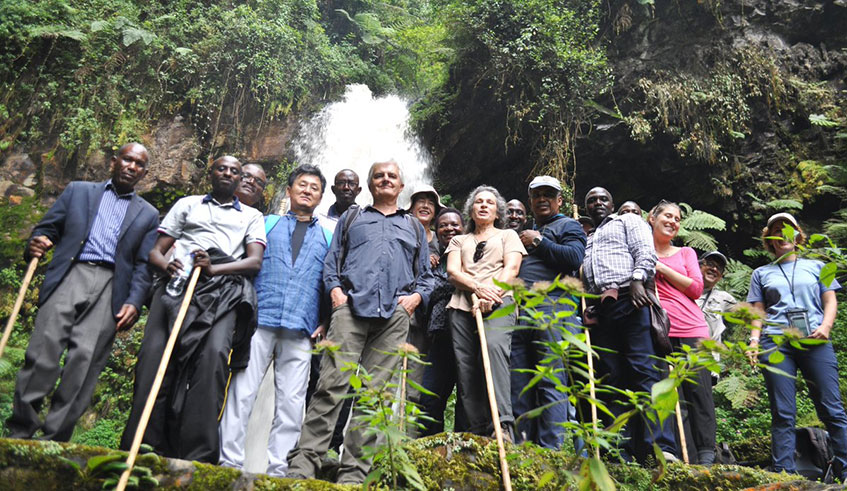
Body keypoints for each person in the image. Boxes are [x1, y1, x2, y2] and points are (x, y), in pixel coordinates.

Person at [286, 160, 433, 484]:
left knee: (374, 395)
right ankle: (304, 464)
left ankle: (353, 474)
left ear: (400, 184)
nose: (385, 179)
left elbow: (426, 276)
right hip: (350, 310)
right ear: (370, 184)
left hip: (393, 317)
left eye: (391, 176)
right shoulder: (353, 217)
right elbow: (331, 263)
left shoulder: (413, 227)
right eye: (378, 175)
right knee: (330, 387)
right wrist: (337, 294)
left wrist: (414, 300)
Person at [6, 143, 159, 441]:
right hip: (70, 273)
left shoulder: (148, 214)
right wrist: (36, 241)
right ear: (114, 162)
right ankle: (19, 432)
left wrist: (134, 302)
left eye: (139, 164)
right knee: (42, 355)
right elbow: (47, 228)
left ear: (145, 173)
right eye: (127, 159)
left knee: (84, 363)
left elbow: (143, 266)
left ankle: (55, 440)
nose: (132, 166)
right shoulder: (78, 191)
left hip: (111, 287)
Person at [121, 156, 266, 463]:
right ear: (211, 173)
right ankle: (143, 446)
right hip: (176, 287)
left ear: (241, 179)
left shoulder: (252, 216)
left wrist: (214, 268)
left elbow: (254, 262)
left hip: (222, 292)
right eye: (221, 168)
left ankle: (197, 454)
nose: (227, 173)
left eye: (234, 171)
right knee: (154, 360)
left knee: (212, 361)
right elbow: (155, 252)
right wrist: (168, 265)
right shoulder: (188, 204)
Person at [219, 164, 330, 476]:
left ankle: (279, 468)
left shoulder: (328, 235)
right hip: (258, 319)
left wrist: (325, 320)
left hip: (302, 326)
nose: (307, 190)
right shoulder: (264, 223)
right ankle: (229, 460)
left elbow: (331, 280)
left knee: (292, 404)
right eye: (302, 185)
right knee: (242, 392)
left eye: (314, 187)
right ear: (288, 191)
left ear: (321, 197)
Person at [747, 212, 847, 480]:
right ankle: (784, 473)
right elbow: (758, 312)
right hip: (777, 343)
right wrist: (754, 341)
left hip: (815, 340)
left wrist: (826, 326)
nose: (782, 235)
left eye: (787, 229)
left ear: (798, 236)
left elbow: (830, 301)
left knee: (831, 407)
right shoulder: (761, 273)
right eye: (776, 231)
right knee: (782, 411)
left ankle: (845, 468)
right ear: (769, 239)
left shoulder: (816, 266)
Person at [581, 187, 677, 462]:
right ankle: (618, 448)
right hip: (604, 307)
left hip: (630, 298)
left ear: (612, 205)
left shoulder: (627, 221)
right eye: (591, 200)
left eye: (602, 199)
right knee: (611, 377)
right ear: (586, 208)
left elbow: (645, 251)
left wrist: (637, 279)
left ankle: (659, 446)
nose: (597, 203)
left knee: (643, 371)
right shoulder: (590, 237)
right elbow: (589, 273)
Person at [446, 185, 526, 440]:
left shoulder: (508, 236)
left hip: (500, 302)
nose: (483, 205)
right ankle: (476, 429)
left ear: (497, 211)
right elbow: (453, 272)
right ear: (470, 209)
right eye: (478, 202)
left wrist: (492, 295)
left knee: (494, 350)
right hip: (461, 305)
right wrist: (478, 289)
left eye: (489, 203)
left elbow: (511, 268)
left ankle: (501, 425)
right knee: (465, 364)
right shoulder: (460, 240)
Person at [510, 176, 586, 448]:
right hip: (520, 313)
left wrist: (539, 241)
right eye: (537, 195)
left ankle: (551, 450)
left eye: (548, 195)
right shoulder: (523, 233)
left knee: (550, 379)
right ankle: (523, 447)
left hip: (554, 308)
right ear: (530, 201)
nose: (542, 199)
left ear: (559, 201)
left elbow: (575, 259)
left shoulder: (569, 225)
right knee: (520, 381)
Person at [649, 200, 716, 466]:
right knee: (665, 392)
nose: (673, 221)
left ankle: (707, 454)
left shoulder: (686, 253)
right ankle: (673, 451)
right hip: (659, 331)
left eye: (677, 219)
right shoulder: (640, 251)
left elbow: (696, 288)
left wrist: (662, 268)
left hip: (692, 329)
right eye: (668, 215)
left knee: (699, 392)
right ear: (652, 218)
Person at [419, 208, 469, 435]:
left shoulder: (472, 254)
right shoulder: (429, 259)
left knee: (468, 398)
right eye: (443, 225)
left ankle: (465, 450)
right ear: (436, 231)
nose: (449, 228)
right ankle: (430, 449)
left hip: (468, 335)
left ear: (464, 227)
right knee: (429, 396)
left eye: (455, 224)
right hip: (439, 336)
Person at [697, 251, 736, 345]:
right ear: (698, 266)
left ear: (721, 276)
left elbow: (747, 314)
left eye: (719, 268)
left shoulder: (724, 298)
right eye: (710, 264)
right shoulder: (681, 289)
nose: (714, 269)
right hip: (679, 351)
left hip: (707, 356)